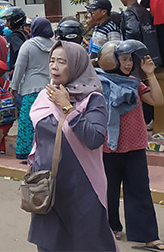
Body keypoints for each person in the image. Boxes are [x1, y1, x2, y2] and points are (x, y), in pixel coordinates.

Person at [27, 41, 113, 251]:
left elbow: (94, 138)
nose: (54, 66)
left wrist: (67, 107)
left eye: (62, 62)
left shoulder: (93, 99)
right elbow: (41, 137)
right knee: (49, 243)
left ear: (76, 65)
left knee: (85, 243)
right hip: (49, 185)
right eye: (52, 61)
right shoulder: (45, 95)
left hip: (82, 185)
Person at [101, 40, 164, 252]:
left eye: (130, 59)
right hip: (108, 147)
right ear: (110, 60)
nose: (128, 63)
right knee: (108, 191)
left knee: (140, 191)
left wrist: (150, 74)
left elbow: (157, 101)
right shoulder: (100, 83)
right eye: (123, 59)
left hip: (135, 146)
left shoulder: (134, 82)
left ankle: (149, 236)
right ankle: (111, 227)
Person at [9, 18, 55, 161]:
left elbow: (19, 68)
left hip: (30, 89)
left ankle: (26, 153)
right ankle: (45, 152)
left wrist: (13, 87)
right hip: (50, 89)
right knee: (47, 122)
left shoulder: (28, 45)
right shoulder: (56, 45)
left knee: (28, 121)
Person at [116, 0, 162, 66]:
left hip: (139, 59)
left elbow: (132, 33)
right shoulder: (145, 11)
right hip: (153, 56)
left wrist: (128, 52)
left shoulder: (129, 13)